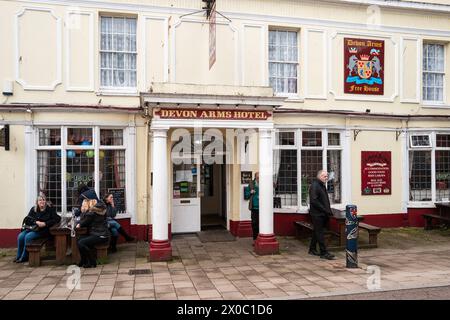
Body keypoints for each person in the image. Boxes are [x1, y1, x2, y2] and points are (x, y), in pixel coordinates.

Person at [15, 195, 60, 263]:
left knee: (28, 237)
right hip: (32, 228)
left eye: (43, 200)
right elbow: (28, 220)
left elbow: (57, 219)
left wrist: (45, 223)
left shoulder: (50, 209)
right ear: (37, 202)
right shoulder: (33, 209)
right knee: (20, 236)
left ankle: (24, 256)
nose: (42, 202)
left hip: (44, 231)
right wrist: (36, 222)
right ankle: (18, 256)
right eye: (40, 200)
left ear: (46, 201)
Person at [308, 170, 335, 260]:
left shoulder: (321, 185)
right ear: (319, 176)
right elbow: (314, 201)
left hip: (322, 213)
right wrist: (324, 210)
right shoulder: (315, 185)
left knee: (317, 231)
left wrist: (327, 211)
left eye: (327, 176)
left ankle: (312, 249)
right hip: (317, 214)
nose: (326, 178)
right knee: (320, 233)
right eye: (324, 176)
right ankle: (323, 252)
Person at [76, 200, 110, 268]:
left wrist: (83, 214)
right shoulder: (103, 213)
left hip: (99, 235)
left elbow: (83, 223)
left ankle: (91, 261)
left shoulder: (92, 214)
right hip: (104, 235)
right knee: (80, 239)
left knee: (81, 243)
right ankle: (84, 261)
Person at [244, 172, 259, 242]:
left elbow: (274, 186)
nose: (259, 179)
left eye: (260, 177)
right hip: (254, 207)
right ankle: (255, 239)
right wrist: (250, 192)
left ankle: (260, 238)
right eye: (258, 177)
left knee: (262, 224)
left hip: (263, 208)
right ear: (255, 177)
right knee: (254, 223)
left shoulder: (265, 183)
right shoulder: (251, 184)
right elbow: (246, 196)